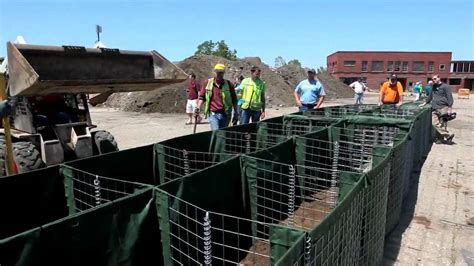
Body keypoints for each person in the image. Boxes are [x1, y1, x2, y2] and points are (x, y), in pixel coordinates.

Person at [196, 64, 238, 130]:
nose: (219, 74)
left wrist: (236, 113)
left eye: (221, 72)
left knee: (223, 133)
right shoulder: (207, 83)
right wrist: (198, 108)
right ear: (214, 72)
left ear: (224, 73)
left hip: (226, 114)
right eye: (218, 72)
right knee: (216, 132)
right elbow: (202, 97)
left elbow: (234, 100)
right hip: (213, 113)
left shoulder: (229, 84)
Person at [421, 74, 455, 143]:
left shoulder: (445, 87)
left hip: (443, 107)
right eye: (433, 79)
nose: (434, 80)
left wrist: (449, 108)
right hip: (434, 107)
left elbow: (450, 98)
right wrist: (425, 103)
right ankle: (448, 135)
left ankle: (440, 139)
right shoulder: (433, 86)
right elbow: (430, 96)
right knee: (434, 124)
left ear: (439, 78)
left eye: (435, 78)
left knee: (442, 123)